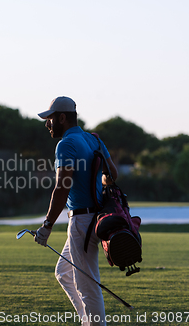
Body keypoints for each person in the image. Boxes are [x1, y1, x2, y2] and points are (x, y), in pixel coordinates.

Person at [34, 96, 118, 326]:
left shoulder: (66, 144)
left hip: (82, 221)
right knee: (63, 272)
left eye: (50, 119)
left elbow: (62, 187)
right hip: (94, 217)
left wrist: (47, 226)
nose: (47, 124)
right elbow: (112, 175)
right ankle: (87, 322)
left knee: (87, 286)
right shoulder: (93, 140)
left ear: (62, 118)